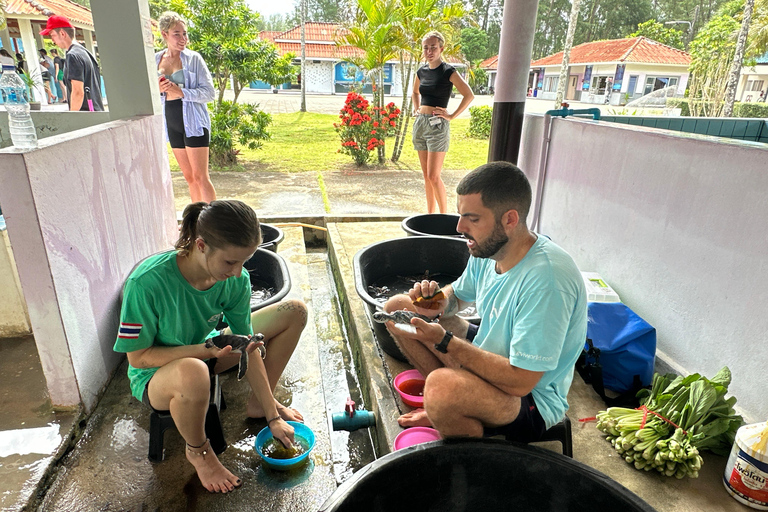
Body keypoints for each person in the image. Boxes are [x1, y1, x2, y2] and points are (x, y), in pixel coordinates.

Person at [382, 161, 588, 441]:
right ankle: (444, 407)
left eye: (473, 219)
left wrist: (445, 341)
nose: (460, 227)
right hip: (492, 353)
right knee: (397, 307)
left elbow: (521, 381)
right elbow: (457, 296)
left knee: (442, 387)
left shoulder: (548, 280)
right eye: (460, 216)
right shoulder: (488, 250)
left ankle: (467, 447)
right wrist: (435, 302)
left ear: (510, 220)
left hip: (529, 398)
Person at [114, 200, 307, 493]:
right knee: (193, 372)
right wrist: (203, 351)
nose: (238, 272)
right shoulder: (145, 284)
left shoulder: (235, 279)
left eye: (245, 262)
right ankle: (199, 451)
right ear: (201, 245)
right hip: (159, 375)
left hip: (209, 352)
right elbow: (139, 358)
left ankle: (259, 403)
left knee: (295, 311)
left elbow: (247, 342)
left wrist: (273, 415)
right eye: (230, 262)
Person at [156, 11, 217, 203]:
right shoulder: (155, 59)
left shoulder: (194, 59)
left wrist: (182, 92)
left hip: (194, 123)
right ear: (164, 34)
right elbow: (150, 92)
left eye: (185, 34)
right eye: (177, 34)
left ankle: (213, 225)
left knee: (201, 177)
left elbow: (209, 93)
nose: (183, 39)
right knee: (190, 178)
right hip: (172, 122)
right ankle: (197, 223)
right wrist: (158, 90)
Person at [412, 31, 474, 214]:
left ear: (441, 48)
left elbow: (468, 95)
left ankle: (443, 216)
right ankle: (430, 215)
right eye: (426, 48)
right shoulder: (421, 71)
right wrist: (416, 108)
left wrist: (452, 115)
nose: (429, 51)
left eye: (433, 47)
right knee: (426, 176)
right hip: (421, 124)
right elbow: (415, 92)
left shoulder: (448, 71)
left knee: (434, 175)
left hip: (437, 125)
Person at [40, 15, 104, 111]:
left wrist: (72, 118)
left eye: (52, 35)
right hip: (96, 112)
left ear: (62, 33)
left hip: (86, 115)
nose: (52, 39)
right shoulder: (85, 52)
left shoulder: (72, 56)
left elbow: (78, 92)